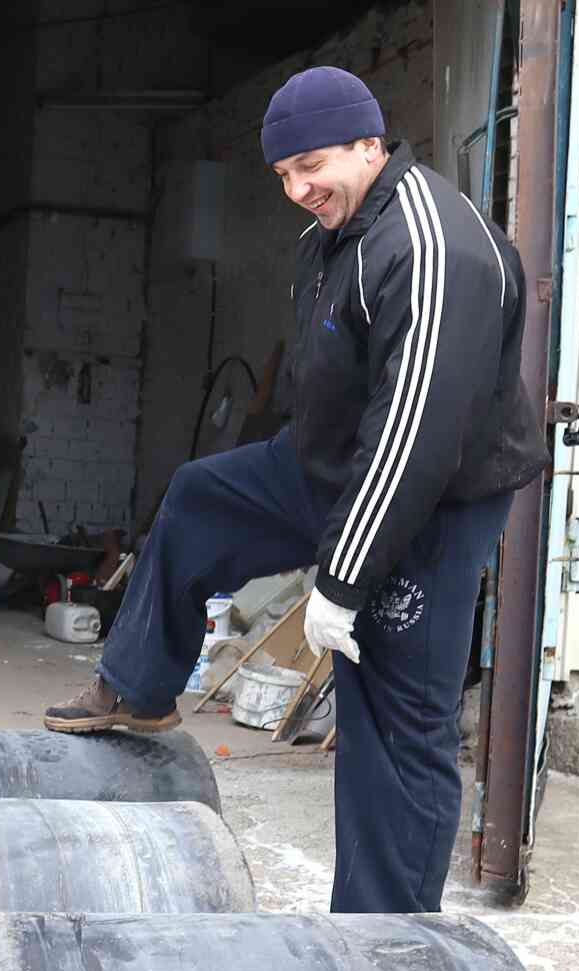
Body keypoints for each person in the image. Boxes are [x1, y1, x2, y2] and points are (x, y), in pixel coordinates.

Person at [44, 67, 547, 914]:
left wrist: (342, 581)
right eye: (282, 174)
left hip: (428, 504)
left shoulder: (432, 248)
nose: (297, 190)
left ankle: (382, 939)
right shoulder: (338, 229)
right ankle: (138, 688)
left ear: (369, 144)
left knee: (391, 718)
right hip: (332, 463)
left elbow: (414, 439)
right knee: (201, 498)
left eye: (310, 166)